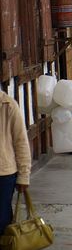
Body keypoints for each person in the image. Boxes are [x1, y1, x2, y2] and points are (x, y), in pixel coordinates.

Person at [1, 91, 31, 236]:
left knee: (2, 220)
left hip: (4, 174)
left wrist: (24, 176)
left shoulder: (8, 105)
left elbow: (21, 143)